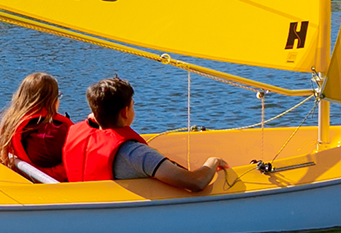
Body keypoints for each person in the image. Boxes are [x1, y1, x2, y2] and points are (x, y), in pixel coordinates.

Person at [63, 76, 228, 192]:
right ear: (125, 112)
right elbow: (196, 182)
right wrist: (213, 162)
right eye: (132, 106)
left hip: (86, 205)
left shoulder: (74, 134)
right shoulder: (135, 154)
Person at [0, 72, 71, 181]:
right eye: (57, 95)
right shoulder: (51, 133)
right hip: (59, 184)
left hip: (32, 177)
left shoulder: (13, 123)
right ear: (50, 100)